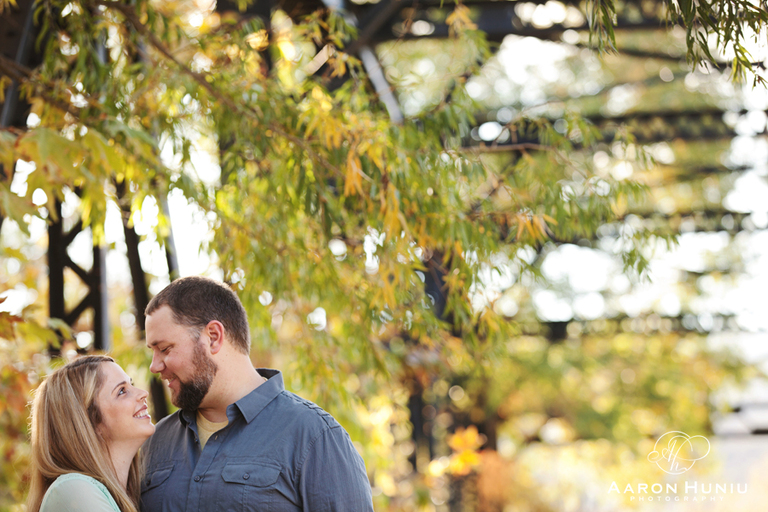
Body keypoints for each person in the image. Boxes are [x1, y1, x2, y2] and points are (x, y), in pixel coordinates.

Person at [141, 276, 374, 512]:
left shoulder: (315, 437)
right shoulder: (154, 442)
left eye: (164, 349)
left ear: (213, 337)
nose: (155, 366)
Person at [27, 355, 156, 512]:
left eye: (132, 384)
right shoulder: (73, 489)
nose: (143, 393)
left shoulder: (128, 494)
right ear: (89, 423)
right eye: (122, 391)